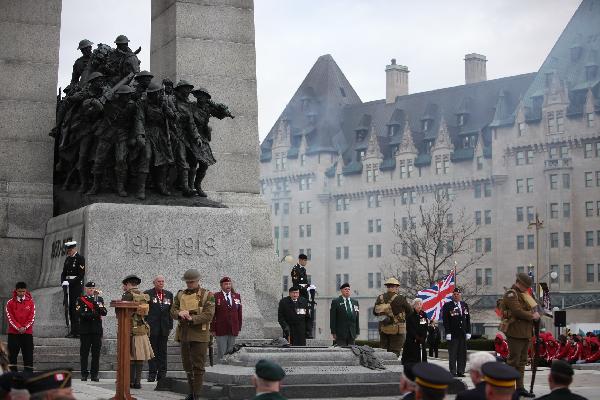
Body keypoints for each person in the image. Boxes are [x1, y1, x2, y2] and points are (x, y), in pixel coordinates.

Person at [171, 269, 215, 400]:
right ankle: (191, 393)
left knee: (198, 366)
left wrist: (192, 318)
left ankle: (197, 394)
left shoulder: (208, 295)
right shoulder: (180, 295)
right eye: (187, 282)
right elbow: (172, 310)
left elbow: (208, 314)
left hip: (200, 335)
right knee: (187, 365)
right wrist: (179, 313)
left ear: (198, 281)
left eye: (192, 282)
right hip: (184, 334)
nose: (189, 284)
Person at [87, 84, 139, 197]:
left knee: (121, 160)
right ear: (119, 96)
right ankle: (96, 186)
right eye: (126, 95)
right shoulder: (108, 103)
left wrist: (133, 136)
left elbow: (136, 122)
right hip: (107, 133)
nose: (128, 97)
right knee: (99, 160)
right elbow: (91, 111)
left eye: (129, 95)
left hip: (122, 135)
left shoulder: (132, 106)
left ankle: (120, 187)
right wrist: (93, 102)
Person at [133, 81, 175, 198]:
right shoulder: (142, 103)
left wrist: (167, 108)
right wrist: (140, 135)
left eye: (157, 93)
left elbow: (173, 117)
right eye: (153, 94)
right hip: (148, 132)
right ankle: (141, 189)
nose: (155, 96)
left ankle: (161, 186)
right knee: (146, 156)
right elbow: (140, 119)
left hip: (160, 135)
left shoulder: (163, 103)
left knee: (163, 160)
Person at [500, 272, 539, 397]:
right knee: (513, 361)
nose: (527, 288)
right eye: (526, 285)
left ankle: (520, 387)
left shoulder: (525, 295)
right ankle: (509, 388)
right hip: (515, 332)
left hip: (526, 332)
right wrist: (532, 315)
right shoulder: (511, 294)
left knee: (522, 361)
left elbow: (533, 308)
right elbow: (517, 311)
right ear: (519, 283)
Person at [121, 275, 154, 390]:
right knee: (139, 357)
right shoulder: (143, 295)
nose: (124, 287)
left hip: (129, 328)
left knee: (130, 356)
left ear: (129, 284)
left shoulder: (127, 295)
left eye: (125, 284)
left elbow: (122, 311)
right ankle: (138, 382)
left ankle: (130, 381)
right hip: (141, 329)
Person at [144, 275, 174, 385]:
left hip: (164, 327)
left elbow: (171, 312)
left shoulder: (169, 294)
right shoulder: (148, 294)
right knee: (153, 352)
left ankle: (162, 375)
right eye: (159, 281)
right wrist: (146, 324)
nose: (161, 283)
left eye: (162, 281)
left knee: (163, 352)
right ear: (154, 282)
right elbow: (144, 310)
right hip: (152, 327)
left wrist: (170, 326)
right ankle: (152, 374)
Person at [373, 277, 412, 357]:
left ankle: (382, 368)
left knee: (383, 351)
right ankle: (392, 368)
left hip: (383, 328)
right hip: (396, 330)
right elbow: (410, 311)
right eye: (397, 287)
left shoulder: (380, 298)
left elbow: (374, 312)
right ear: (396, 287)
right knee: (394, 352)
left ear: (387, 286)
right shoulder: (400, 298)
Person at [76, 281, 107, 382]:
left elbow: (104, 312)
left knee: (96, 354)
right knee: (84, 353)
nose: (91, 290)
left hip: (96, 330)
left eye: (93, 288)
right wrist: (94, 315)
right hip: (85, 330)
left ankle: (94, 374)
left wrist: (97, 305)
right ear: (86, 289)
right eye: (89, 288)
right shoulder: (80, 299)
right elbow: (80, 314)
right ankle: (84, 374)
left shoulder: (99, 299)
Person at [5, 282, 35, 373]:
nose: (21, 293)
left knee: (28, 357)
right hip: (13, 334)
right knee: (12, 357)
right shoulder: (10, 303)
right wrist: (18, 327)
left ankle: (29, 377)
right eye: (19, 291)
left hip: (27, 334)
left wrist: (25, 327)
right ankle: (12, 377)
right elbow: (10, 317)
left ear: (26, 290)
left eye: (23, 291)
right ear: (16, 290)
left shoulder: (31, 302)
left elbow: (32, 317)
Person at [211, 276, 243, 361]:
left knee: (230, 352)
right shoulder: (216, 296)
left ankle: (229, 368)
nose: (228, 286)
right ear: (221, 285)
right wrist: (212, 329)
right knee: (222, 352)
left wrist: (238, 327)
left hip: (233, 328)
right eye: (226, 284)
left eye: (229, 284)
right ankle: (221, 370)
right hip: (221, 329)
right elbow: (212, 314)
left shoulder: (236, 296)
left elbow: (239, 312)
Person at [442, 287, 471, 377]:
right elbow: (445, 320)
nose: (456, 296)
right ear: (452, 295)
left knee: (462, 354)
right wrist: (448, 332)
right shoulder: (448, 305)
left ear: (460, 295)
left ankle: (460, 371)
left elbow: (467, 319)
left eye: (458, 294)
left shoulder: (464, 305)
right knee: (453, 353)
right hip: (453, 334)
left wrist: (468, 331)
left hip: (462, 333)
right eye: (454, 294)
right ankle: (453, 371)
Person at [61, 241, 85, 338]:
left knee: (76, 308)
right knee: (69, 308)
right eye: (68, 251)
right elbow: (63, 273)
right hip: (67, 286)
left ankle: (77, 331)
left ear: (74, 249)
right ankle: (72, 330)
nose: (69, 252)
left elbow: (81, 274)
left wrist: (70, 282)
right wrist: (63, 282)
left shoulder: (80, 258)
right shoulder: (67, 259)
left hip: (75, 286)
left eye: (70, 250)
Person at [402, 298, 428, 365]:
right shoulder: (410, 316)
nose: (419, 306)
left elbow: (424, 326)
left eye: (420, 304)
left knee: (422, 356)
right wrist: (416, 336)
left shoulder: (423, 315)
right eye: (417, 304)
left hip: (421, 339)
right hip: (412, 339)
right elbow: (409, 328)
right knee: (413, 357)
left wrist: (423, 336)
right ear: (413, 306)